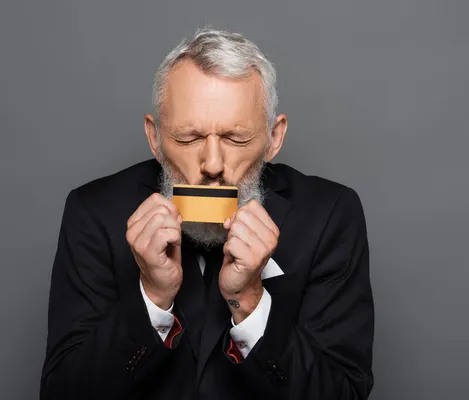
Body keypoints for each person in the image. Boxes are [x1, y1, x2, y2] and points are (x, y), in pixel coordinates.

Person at [40, 27, 374, 400]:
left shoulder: (329, 216)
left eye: (236, 138)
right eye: (188, 138)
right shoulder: (95, 213)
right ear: (155, 139)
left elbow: (344, 393)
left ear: (274, 138)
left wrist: (248, 302)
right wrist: (152, 296)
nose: (212, 165)